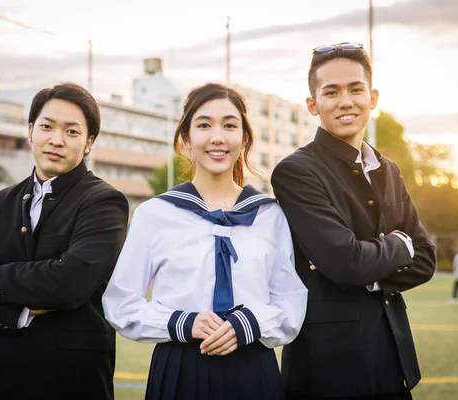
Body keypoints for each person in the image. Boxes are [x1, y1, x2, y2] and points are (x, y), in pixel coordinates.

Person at [102, 82, 308, 400]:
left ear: (245, 138)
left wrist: (249, 323)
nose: (217, 137)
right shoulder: (154, 214)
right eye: (203, 125)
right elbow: (120, 304)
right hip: (179, 368)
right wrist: (183, 323)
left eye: (229, 125)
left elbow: (291, 302)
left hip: (253, 368)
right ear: (185, 138)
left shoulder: (270, 215)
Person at [271, 43, 436, 400]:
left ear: (372, 97)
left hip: (393, 365)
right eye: (331, 92)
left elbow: (425, 260)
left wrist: (367, 266)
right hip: (328, 369)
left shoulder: (388, 168)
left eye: (355, 89)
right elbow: (346, 264)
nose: (345, 101)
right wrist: (399, 244)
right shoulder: (296, 171)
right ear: (313, 104)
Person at [0, 83, 129, 400]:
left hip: (74, 377)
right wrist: (18, 313)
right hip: (5, 372)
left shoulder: (104, 201)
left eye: (72, 132)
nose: (56, 140)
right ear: (31, 130)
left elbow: (70, 283)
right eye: (47, 127)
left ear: (89, 143)